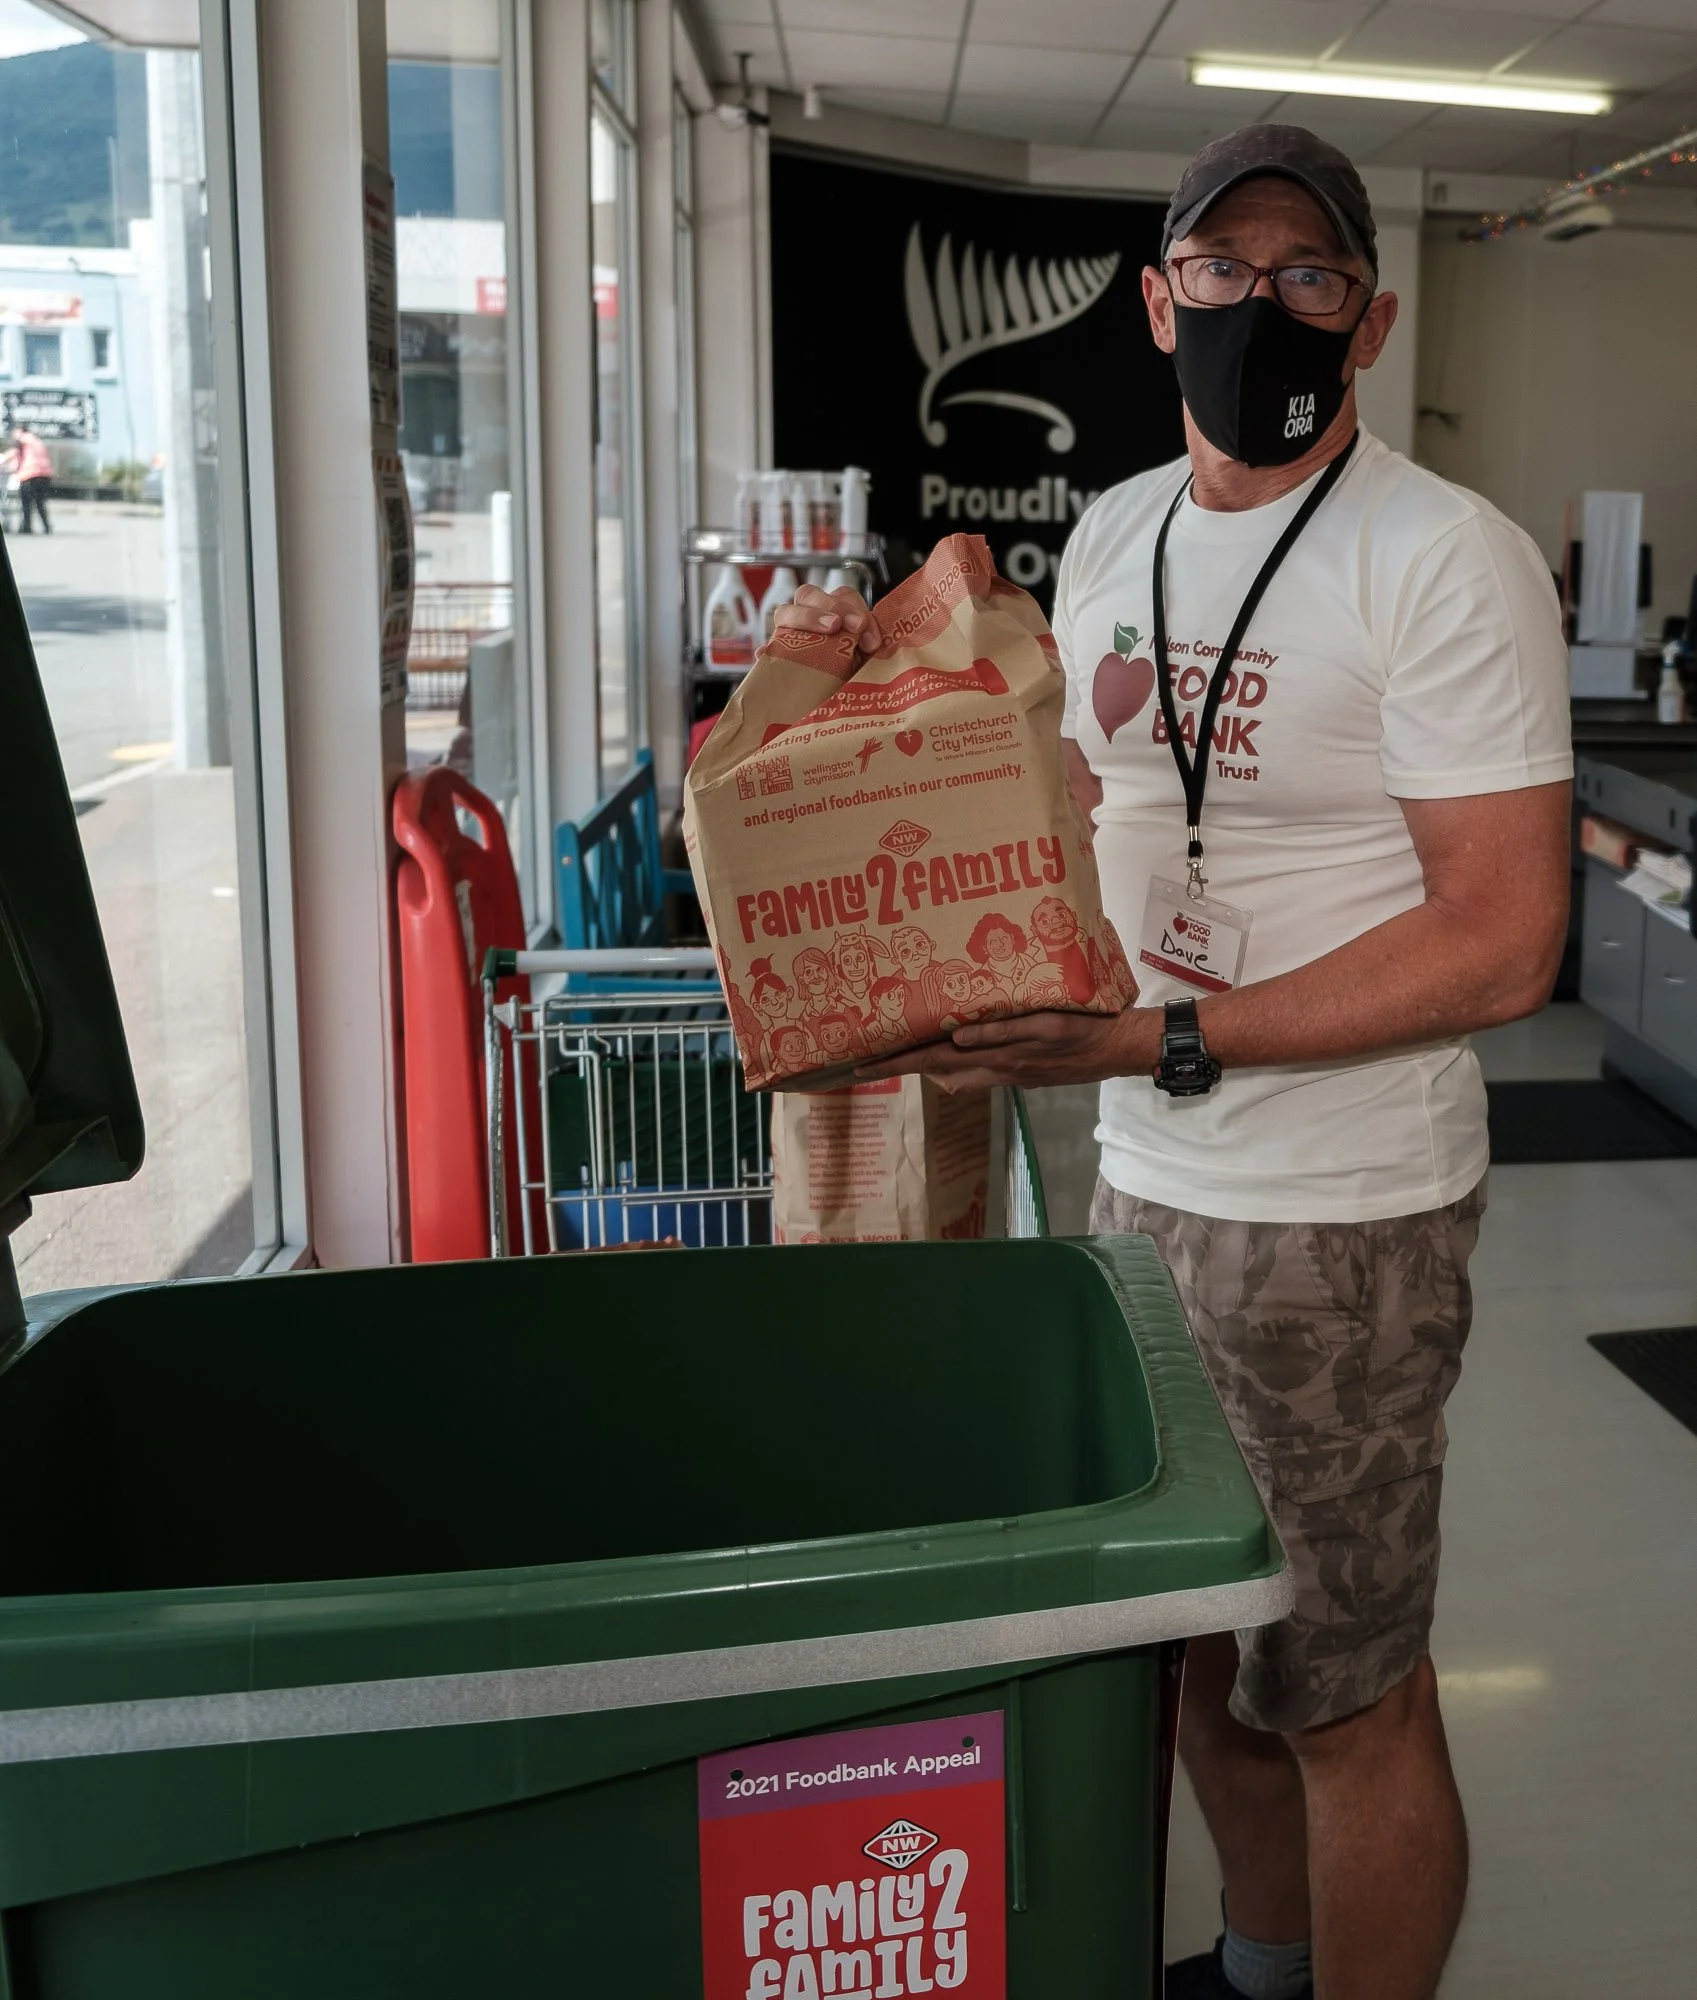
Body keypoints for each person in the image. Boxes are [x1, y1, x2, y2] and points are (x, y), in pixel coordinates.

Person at [776, 124, 1572, 2000]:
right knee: (1203, 1646)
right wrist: (846, 693)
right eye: (1218, 272)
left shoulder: (1442, 559)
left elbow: (1502, 939)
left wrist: (1165, 1030)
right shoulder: (1119, 526)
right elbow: (1067, 801)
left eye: (1306, 275)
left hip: (1337, 1214)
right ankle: (1259, 1963)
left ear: (1365, 324)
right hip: (1139, 1175)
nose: (1258, 306)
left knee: (1346, 1689)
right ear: (1155, 305)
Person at [2, 427, 53, 534]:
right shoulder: (37, 441)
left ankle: (27, 527)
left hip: (29, 474)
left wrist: (4, 459)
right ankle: (47, 526)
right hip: (44, 475)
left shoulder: (21, 439)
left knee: (26, 504)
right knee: (40, 503)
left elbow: (13, 453)